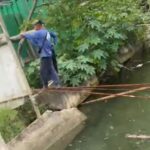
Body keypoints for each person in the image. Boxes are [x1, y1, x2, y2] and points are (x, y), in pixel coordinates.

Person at [21, 20, 60, 88]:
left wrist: (23, 34)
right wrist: (54, 43)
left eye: (35, 25)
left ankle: (46, 85)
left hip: (45, 54)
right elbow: (55, 35)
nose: (34, 27)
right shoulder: (46, 31)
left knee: (43, 71)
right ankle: (55, 84)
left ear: (39, 26)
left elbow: (30, 36)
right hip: (48, 53)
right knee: (50, 68)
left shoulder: (39, 33)